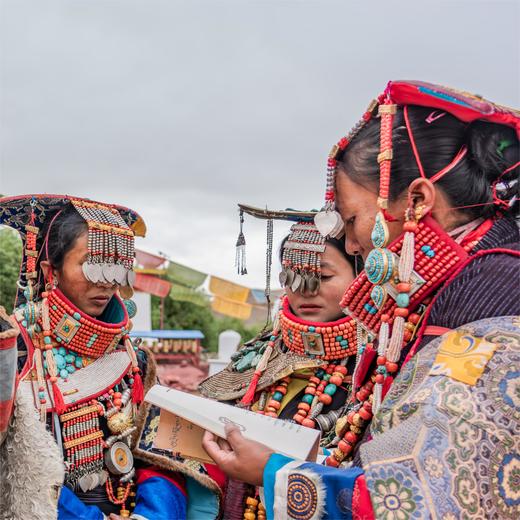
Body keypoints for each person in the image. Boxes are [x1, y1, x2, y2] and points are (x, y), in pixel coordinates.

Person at [202, 81, 520, 519]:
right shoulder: (446, 286)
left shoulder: (492, 290)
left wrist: (277, 473)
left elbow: (426, 493)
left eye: (352, 219)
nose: (352, 243)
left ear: (418, 200)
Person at [0, 195, 220, 519]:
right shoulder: (16, 351)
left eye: (116, 267)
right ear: (51, 270)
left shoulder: (136, 359)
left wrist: (153, 515)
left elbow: (163, 456)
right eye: (92, 264)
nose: (106, 281)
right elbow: (17, 472)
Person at [199, 205, 361, 519]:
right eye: (293, 276)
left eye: (322, 276)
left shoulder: (373, 369)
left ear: (360, 273)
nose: (306, 290)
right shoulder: (256, 356)